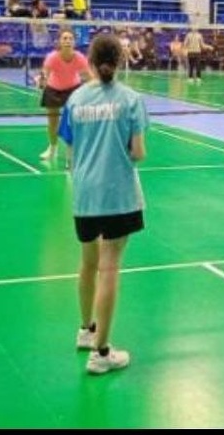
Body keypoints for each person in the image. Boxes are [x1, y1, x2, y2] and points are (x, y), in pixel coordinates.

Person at [58, 33, 148, 375]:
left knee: (88, 263)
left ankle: (86, 331)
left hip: (84, 195)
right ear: (120, 62)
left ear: (91, 63)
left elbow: (70, 153)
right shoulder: (131, 100)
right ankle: (102, 353)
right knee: (110, 267)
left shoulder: (75, 99)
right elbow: (138, 152)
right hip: (118, 195)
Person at [39, 28, 92, 163]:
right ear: (59, 42)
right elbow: (45, 73)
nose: (68, 41)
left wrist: (99, 89)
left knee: (74, 122)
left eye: (70, 38)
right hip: (53, 89)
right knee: (52, 122)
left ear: (74, 42)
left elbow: (89, 76)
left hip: (73, 90)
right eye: (64, 38)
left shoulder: (79, 57)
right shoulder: (52, 57)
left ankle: (74, 151)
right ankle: (52, 148)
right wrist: (42, 81)